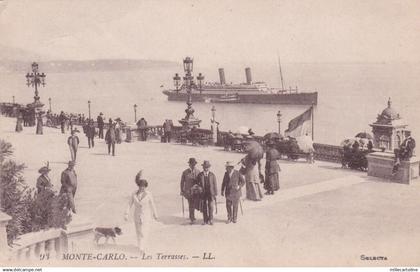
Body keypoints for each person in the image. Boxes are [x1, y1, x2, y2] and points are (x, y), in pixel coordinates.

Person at [125, 173, 158, 255]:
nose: (142, 188)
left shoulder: (149, 194)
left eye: (144, 186)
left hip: (146, 216)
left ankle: (142, 249)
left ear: (146, 187)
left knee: (144, 232)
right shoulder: (133, 193)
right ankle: (140, 247)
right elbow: (129, 204)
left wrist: (155, 214)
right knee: (138, 232)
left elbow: (152, 204)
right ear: (138, 186)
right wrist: (126, 214)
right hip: (136, 216)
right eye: (141, 186)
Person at [180, 158, 201, 224]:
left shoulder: (198, 171)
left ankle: (192, 216)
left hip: (196, 191)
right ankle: (192, 218)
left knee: (194, 204)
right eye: (191, 164)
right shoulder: (185, 172)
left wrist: (198, 187)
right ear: (189, 164)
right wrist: (182, 190)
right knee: (191, 204)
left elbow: (200, 181)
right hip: (188, 192)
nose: (193, 165)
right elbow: (182, 182)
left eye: (194, 164)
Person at [197, 160, 217, 225]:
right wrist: (199, 188)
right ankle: (205, 220)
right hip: (203, 193)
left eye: (207, 167)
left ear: (209, 167)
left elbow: (215, 184)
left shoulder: (212, 175)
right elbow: (197, 184)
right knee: (204, 207)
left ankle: (211, 219)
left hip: (210, 193)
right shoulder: (200, 175)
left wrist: (215, 193)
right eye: (205, 167)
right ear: (203, 167)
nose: (206, 168)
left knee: (211, 206)